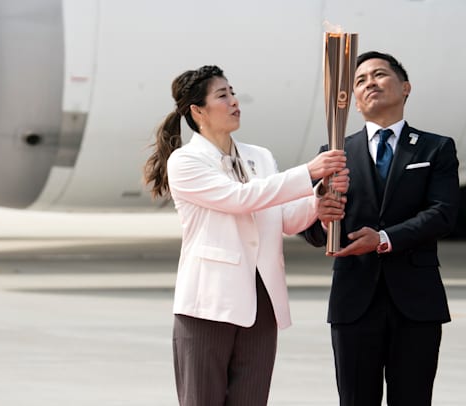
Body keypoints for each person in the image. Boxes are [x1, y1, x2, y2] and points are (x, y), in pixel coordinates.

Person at [143, 65, 348, 406]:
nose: (234, 101)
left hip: (262, 298)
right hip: (209, 303)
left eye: (233, 92)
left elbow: (283, 218)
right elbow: (241, 200)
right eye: (222, 95)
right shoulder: (186, 161)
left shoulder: (260, 157)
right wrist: (309, 172)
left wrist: (319, 200)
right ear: (197, 111)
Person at [303, 51, 461, 405]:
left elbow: (443, 213)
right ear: (354, 103)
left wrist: (385, 239)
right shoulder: (333, 152)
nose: (370, 82)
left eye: (379, 75)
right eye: (360, 81)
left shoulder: (436, 148)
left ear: (405, 88)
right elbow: (315, 233)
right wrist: (321, 214)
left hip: (416, 302)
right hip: (354, 301)